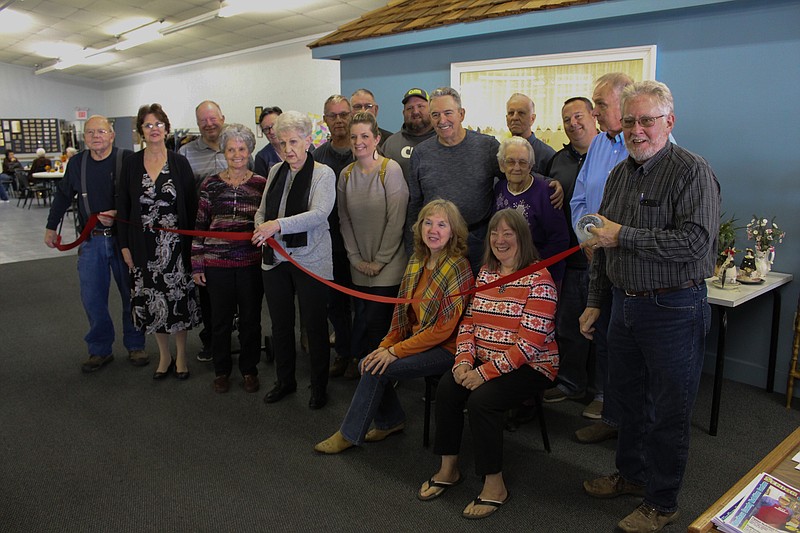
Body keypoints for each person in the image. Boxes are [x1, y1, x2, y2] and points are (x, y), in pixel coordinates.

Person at [581, 80, 720, 533]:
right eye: (629, 121)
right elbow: (602, 239)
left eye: (646, 121)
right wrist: (596, 301)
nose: (636, 130)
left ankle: (662, 503)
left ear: (668, 122)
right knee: (627, 403)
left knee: (668, 410)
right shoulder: (621, 173)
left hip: (674, 308)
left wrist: (624, 234)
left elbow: (696, 244)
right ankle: (632, 477)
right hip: (625, 306)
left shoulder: (691, 171)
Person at [419, 208, 558, 520]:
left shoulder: (540, 279)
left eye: (508, 233)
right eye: (495, 233)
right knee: (448, 386)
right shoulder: (486, 273)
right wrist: (463, 363)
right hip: (485, 359)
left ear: (522, 237)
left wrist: (483, 373)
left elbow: (527, 346)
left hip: (533, 366)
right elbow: (468, 322)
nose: (499, 239)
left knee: (483, 401)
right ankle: (448, 468)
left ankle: (495, 486)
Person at [314, 199, 474, 454]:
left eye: (442, 225)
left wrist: (394, 352)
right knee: (370, 361)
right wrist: (386, 346)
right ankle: (391, 421)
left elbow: (442, 330)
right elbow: (401, 317)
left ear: (453, 231)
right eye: (428, 223)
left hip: (448, 349)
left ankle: (348, 434)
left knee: (378, 368)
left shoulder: (459, 267)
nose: (433, 230)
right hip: (419, 340)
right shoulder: (416, 261)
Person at [408, 87, 563, 274]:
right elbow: (415, 205)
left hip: (479, 243)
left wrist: (548, 182)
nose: (442, 121)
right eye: (435, 115)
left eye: (448, 113)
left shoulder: (486, 146)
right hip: (438, 244)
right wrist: (415, 249)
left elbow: (513, 170)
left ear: (461, 114)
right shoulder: (421, 153)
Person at [44, 115, 148, 372]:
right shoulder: (77, 163)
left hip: (124, 241)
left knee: (131, 294)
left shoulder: (128, 160)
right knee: (92, 298)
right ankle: (99, 349)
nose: (95, 136)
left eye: (101, 131)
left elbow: (143, 198)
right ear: (84, 137)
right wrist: (50, 226)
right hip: (91, 242)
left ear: (112, 135)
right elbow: (63, 195)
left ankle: (135, 345)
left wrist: (119, 213)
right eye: (90, 132)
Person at [566, 72, 634, 438]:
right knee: (603, 335)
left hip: (630, 261)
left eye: (601, 104)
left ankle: (625, 419)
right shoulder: (598, 145)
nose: (594, 111)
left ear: (626, 102)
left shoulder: (645, 143)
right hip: (597, 258)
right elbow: (580, 198)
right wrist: (585, 239)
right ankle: (609, 409)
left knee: (625, 341)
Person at [253, 110, 335, 410]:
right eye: (283, 143)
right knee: (281, 325)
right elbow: (262, 211)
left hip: (310, 260)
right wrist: (260, 227)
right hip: (275, 259)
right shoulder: (275, 171)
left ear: (307, 140)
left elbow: (319, 214)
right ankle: (285, 381)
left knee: (314, 327)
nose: (288, 149)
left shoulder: (323, 173)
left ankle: (319, 386)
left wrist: (277, 225)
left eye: (294, 142)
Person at [117, 103, 200, 381]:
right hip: (143, 246)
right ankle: (164, 356)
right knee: (153, 300)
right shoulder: (130, 163)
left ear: (167, 128)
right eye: (148, 125)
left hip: (176, 247)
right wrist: (125, 246)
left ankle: (182, 355)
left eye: (158, 124)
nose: (154, 129)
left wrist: (194, 247)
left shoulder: (179, 162)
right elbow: (124, 206)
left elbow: (191, 203)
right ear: (141, 130)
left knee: (176, 300)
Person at [191, 124, 267, 394]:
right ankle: (221, 370)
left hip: (250, 264)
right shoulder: (210, 185)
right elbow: (200, 225)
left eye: (241, 149)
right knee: (219, 321)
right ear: (223, 152)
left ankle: (249, 370)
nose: (236, 154)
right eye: (231, 149)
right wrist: (197, 263)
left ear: (249, 151)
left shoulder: (261, 184)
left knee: (250, 319)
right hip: (216, 264)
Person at [337, 112, 408, 371]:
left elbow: (396, 219)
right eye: (354, 136)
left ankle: (383, 378)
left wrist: (379, 261)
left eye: (365, 136)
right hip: (359, 265)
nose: (359, 142)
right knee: (363, 322)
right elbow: (344, 219)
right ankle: (371, 374)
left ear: (377, 138)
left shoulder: (390, 169)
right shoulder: (345, 175)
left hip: (387, 265)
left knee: (379, 324)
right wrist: (355, 259)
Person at [543, 97, 600, 410]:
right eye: (566, 119)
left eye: (578, 116)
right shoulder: (558, 159)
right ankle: (571, 383)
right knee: (568, 326)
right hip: (569, 260)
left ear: (594, 116)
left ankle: (602, 394)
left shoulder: (610, 153)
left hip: (604, 260)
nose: (573, 124)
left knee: (601, 332)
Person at [178, 100, 231, 363]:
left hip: (237, 236)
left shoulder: (236, 146)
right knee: (208, 292)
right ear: (198, 124)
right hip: (205, 236)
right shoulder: (186, 153)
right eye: (203, 121)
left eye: (213, 119)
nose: (209, 124)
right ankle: (211, 339)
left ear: (222, 117)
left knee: (240, 292)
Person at [311, 95, 355, 378]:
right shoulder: (317, 157)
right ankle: (344, 353)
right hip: (329, 244)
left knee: (363, 304)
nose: (338, 120)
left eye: (343, 114)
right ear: (325, 120)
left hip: (362, 243)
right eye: (332, 115)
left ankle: (362, 356)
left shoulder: (363, 151)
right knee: (335, 304)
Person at [494, 136, 569, 288]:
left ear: (530, 166)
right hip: (507, 270)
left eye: (522, 162)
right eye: (510, 161)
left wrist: (529, 265)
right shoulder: (499, 189)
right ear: (502, 165)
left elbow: (560, 240)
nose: (516, 167)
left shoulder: (547, 192)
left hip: (542, 274)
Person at [381, 88, 436, 182]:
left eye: (420, 106)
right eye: (410, 108)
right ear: (403, 113)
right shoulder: (391, 144)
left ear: (430, 110)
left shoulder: (442, 139)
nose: (415, 112)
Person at [506, 93, 556, 175]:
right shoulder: (502, 152)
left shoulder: (548, 156)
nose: (515, 117)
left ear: (532, 119)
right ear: (506, 119)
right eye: (511, 113)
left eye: (521, 113)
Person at [254, 106, 283, 177]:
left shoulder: (301, 147)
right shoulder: (262, 157)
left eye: (274, 126)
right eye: (266, 129)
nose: (272, 132)